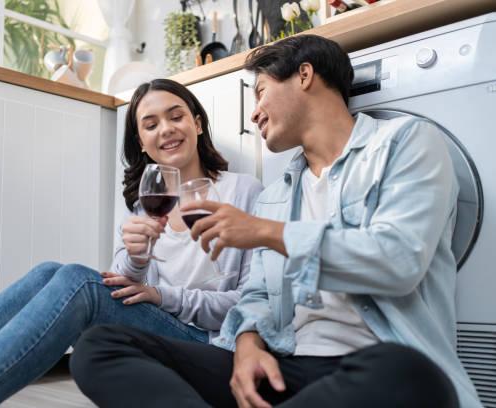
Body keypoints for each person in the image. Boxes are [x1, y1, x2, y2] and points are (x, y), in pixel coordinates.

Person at [69, 35, 483, 408]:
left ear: (304, 75)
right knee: (98, 346)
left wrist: (267, 232)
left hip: (377, 364)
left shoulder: (405, 143)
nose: (254, 115)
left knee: (407, 373)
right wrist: (247, 346)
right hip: (289, 367)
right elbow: (257, 297)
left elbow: (398, 262)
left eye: (261, 93)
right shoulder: (278, 193)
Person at [0, 79, 263, 408]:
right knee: (50, 272)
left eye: (176, 116)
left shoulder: (243, 192)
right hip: (156, 326)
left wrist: (162, 296)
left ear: (197, 123)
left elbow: (251, 304)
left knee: (80, 282)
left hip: (213, 341)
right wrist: (136, 257)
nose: (166, 129)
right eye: (151, 124)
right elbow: (122, 285)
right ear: (142, 143)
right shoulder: (144, 204)